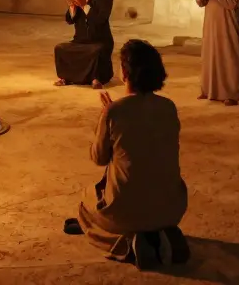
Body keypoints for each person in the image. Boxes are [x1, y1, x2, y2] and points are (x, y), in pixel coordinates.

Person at [63, 40, 190, 270]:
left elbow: (99, 157)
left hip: (127, 210)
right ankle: (162, 235)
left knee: (85, 205)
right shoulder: (168, 107)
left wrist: (104, 119)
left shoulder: (115, 111)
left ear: (125, 72)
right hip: (173, 207)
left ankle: (127, 243)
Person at [53, 0, 115, 88]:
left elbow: (100, 20)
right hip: (80, 40)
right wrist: (72, 6)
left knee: (96, 51)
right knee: (60, 49)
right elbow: (70, 20)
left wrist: (84, 6)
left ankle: (96, 79)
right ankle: (67, 77)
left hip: (99, 40)